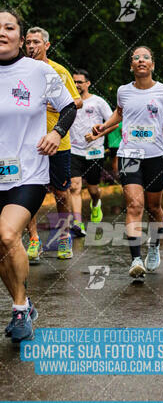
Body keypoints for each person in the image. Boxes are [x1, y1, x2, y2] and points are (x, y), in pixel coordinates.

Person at [0, 8, 76, 342]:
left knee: (6, 234)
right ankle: (25, 303)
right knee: (1, 249)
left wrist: (57, 133)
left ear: (20, 37)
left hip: (27, 174)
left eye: (9, 27)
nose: (2, 32)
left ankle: (18, 310)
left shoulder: (39, 72)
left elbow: (69, 107)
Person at [92, 46, 163, 280]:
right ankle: (135, 259)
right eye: (136, 58)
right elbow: (119, 113)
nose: (141, 60)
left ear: (152, 65)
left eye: (146, 58)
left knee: (154, 208)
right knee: (134, 205)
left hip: (156, 156)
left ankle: (153, 245)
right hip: (129, 155)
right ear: (131, 66)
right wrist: (103, 127)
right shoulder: (123, 91)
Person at [24, 27, 82, 261]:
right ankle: (34, 239)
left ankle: (64, 235)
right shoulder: (21, 71)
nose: (31, 46)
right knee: (27, 190)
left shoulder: (58, 71)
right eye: (28, 42)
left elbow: (76, 101)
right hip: (28, 141)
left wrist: (56, 105)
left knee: (60, 191)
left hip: (58, 140)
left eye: (36, 42)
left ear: (47, 45)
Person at [69, 69, 116, 236]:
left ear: (87, 83)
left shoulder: (98, 102)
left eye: (79, 82)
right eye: (74, 81)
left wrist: (97, 134)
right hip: (74, 150)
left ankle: (96, 203)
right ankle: (77, 224)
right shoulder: (69, 101)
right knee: (74, 187)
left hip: (94, 151)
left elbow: (113, 124)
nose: (76, 85)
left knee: (93, 189)